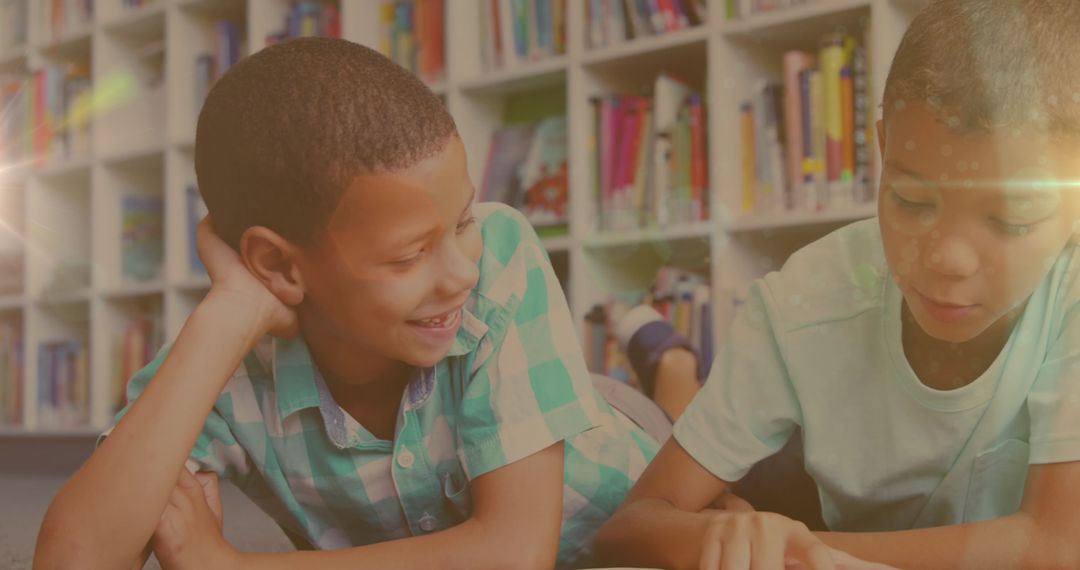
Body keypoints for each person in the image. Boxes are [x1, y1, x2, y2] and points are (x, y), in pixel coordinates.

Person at [35, 38, 655, 570]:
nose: (460, 273)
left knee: (678, 421)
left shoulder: (498, 254)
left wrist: (229, 565)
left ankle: (663, 358)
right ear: (278, 266)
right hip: (514, 392)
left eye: (461, 221)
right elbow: (73, 560)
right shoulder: (227, 365)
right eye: (408, 256)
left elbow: (512, 553)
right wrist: (228, 316)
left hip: (640, 465)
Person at [595, 1, 1080, 568]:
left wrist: (797, 548)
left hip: (805, 504)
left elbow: (1059, 544)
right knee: (701, 464)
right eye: (911, 200)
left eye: (1013, 218)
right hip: (800, 447)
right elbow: (625, 531)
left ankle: (674, 369)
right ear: (882, 146)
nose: (947, 259)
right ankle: (673, 368)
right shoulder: (802, 303)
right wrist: (725, 539)